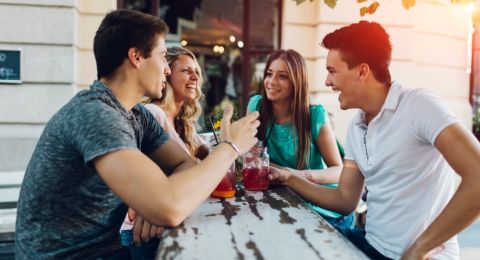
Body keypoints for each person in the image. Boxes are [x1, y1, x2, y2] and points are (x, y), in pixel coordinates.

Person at [15, 9, 259, 259]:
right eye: (163, 57)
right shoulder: (95, 114)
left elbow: (184, 163)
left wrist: (149, 202)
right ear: (136, 57)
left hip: (109, 250)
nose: (166, 69)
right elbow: (171, 206)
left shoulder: (137, 115)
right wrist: (230, 147)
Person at [269, 21, 480, 260]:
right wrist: (289, 179)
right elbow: (345, 200)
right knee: (284, 241)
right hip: (369, 243)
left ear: (362, 71)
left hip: (419, 256)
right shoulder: (357, 127)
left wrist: (420, 247)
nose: (327, 81)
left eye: (332, 71)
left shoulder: (420, 106)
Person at [247, 49, 352, 229]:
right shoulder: (256, 105)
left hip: (320, 206)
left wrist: (303, 176)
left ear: (297, 82)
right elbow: (249, 155)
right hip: (280, 200)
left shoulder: (314, 115)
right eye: (269, 74)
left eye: (282, 77)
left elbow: (339, 170)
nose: (271, 82)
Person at [145, 46, 209, 160]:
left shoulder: (183, 122)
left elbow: (208, 154)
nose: (195, 77)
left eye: (196, 72)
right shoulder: (154, 112)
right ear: (167, 74)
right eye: (186, 70)